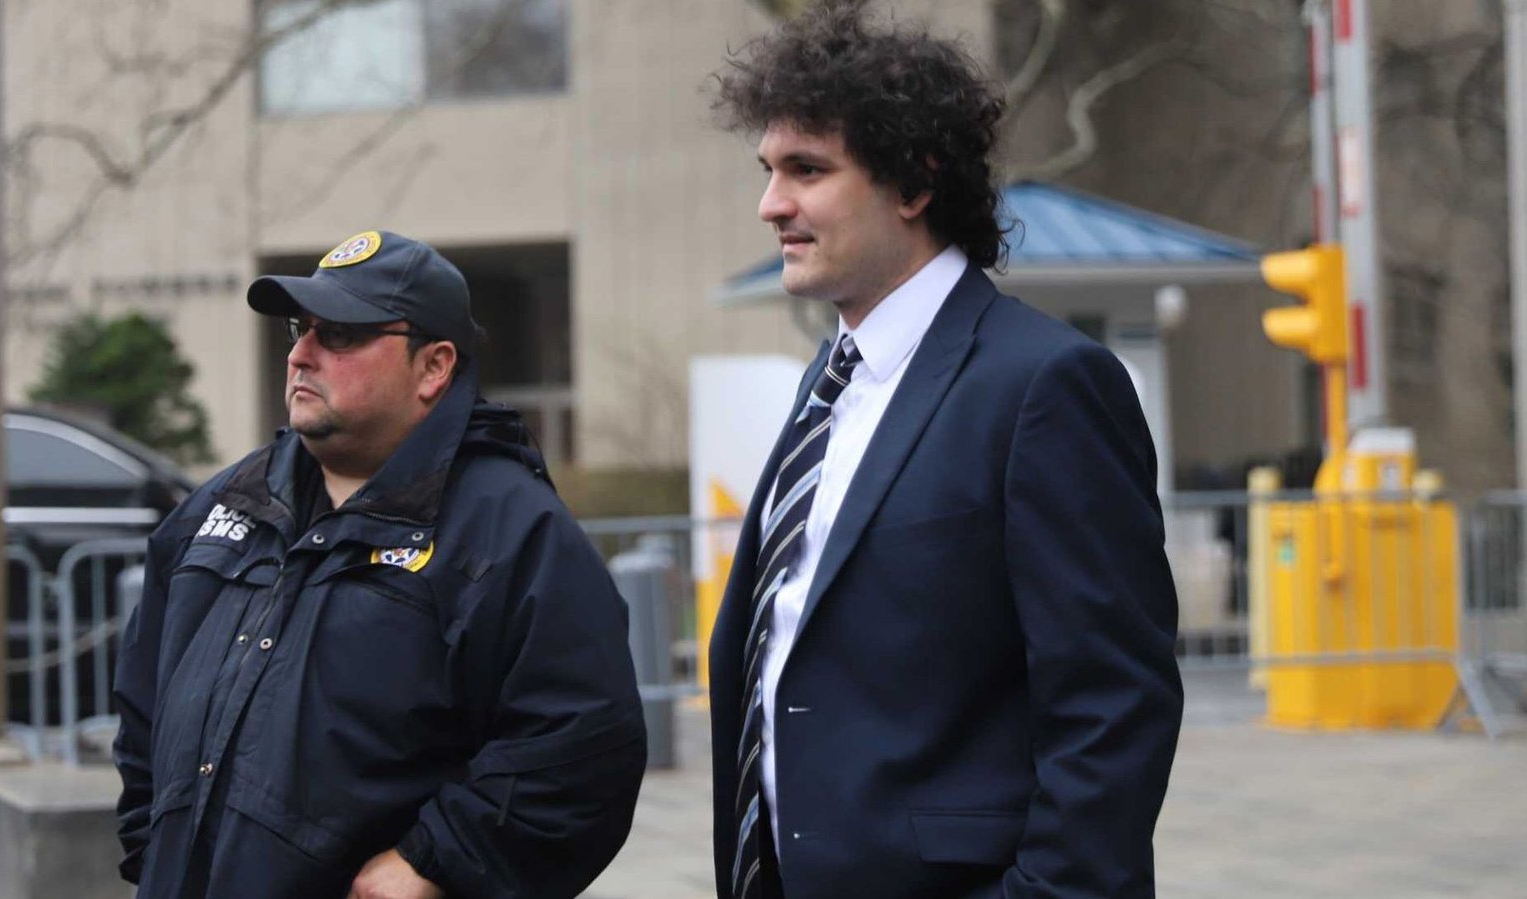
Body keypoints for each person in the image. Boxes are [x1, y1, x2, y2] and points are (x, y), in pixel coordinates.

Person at [706, 4, 1184, 898]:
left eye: (807, 169)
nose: (772, 204)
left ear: (914, 182)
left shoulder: (1046, 385)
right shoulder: (828, 382)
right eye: (769, 171)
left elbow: (1113, 706)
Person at [112, 230, 647, 899]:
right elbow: (143, 706)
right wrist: (154, 849)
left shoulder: (509, 531)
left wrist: (434, 861)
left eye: (340, 334)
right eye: (301, 329)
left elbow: (583, 745)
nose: (301, 354)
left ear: (434, 367)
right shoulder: (221, 507)